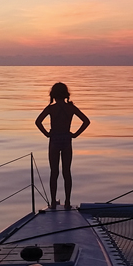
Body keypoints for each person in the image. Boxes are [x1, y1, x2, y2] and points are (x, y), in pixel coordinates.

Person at [35, 82, 90, 210]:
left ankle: (53, 202)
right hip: (66, 140)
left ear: (53, 94)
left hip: (54, 140)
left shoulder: (51, 108)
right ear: (66, 94)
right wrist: (75, 134)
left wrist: (46, 134)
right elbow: (86, 121)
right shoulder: (71, 108)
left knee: (54, 172)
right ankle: (67, 202)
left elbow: (38, 122)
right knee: (67, 172)